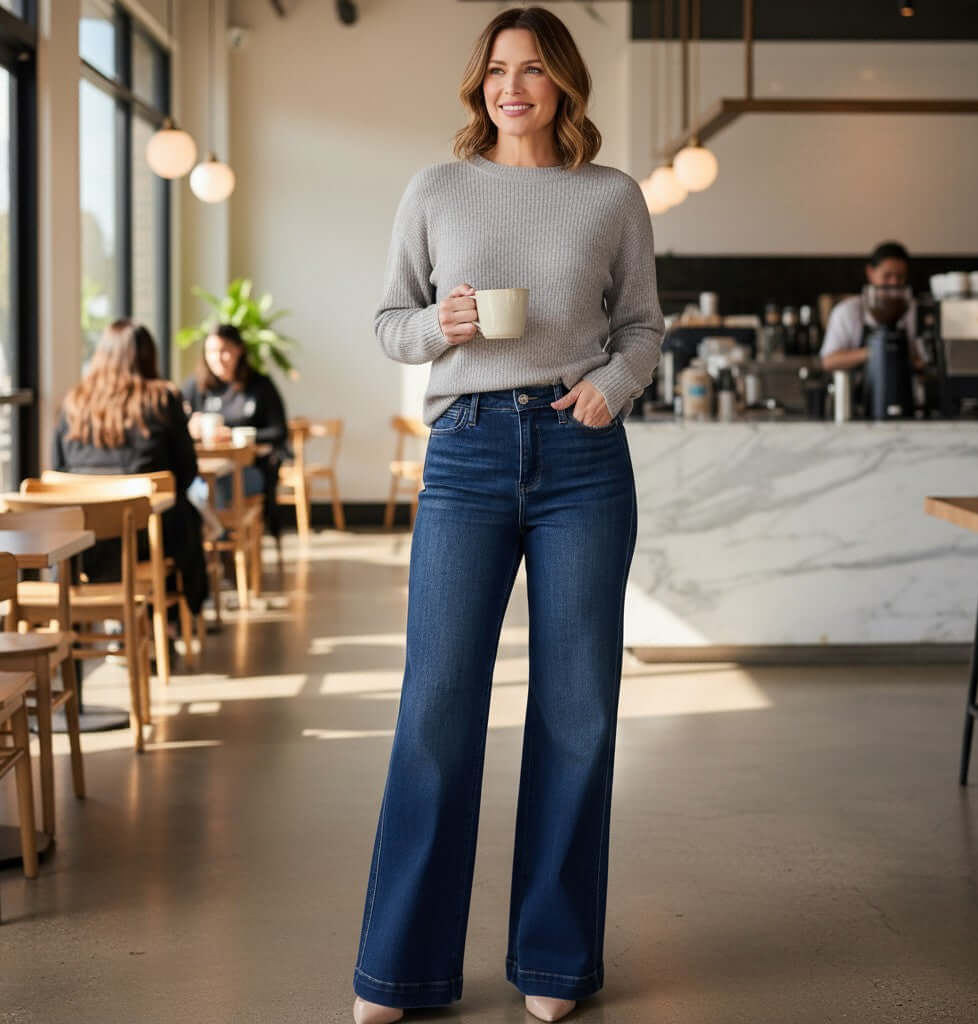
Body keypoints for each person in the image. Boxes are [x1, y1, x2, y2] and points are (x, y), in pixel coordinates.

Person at [352, 9, 663, 1024]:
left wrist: (610, 387)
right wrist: (435, 326)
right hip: (467, 451)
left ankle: (554, 960)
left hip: (583, 458)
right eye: (496, 70)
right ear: (478, 84)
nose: (511, 87)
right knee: (436, 709)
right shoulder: (436, 188)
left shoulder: (611, 196)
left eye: (530, 69)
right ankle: (400, 969)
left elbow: (643, 327)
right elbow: (389, 322)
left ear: (562, 81)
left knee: (578, 710)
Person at [53, 318, 208, 615]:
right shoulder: (162, 399)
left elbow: (58, 472)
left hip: (83, 546)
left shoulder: (73, 403)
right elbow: (187, 472)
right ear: (149, 356)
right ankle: (167, 620)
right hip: (147, 540)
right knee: (185, 518)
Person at [180, 323, 289, 538]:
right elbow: (175, 429)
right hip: (204, 471)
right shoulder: (196, 387)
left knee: (217, 486)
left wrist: (234, 435)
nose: (217, 358)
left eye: (224, 351)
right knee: (194, 487)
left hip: (248, 470)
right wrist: (189, 429)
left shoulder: (260, 386)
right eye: (211, 352)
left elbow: (279, 431)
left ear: (239, 350)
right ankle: (208, 544)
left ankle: (222, 545)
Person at [820, 241, 927, 372]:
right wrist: (878, 350)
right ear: (870, 273)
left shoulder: (914, 309)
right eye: (887, 276)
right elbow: (828, 361)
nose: (894, 283)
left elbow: (923, 358)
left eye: (900, 277)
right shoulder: (847, 311)